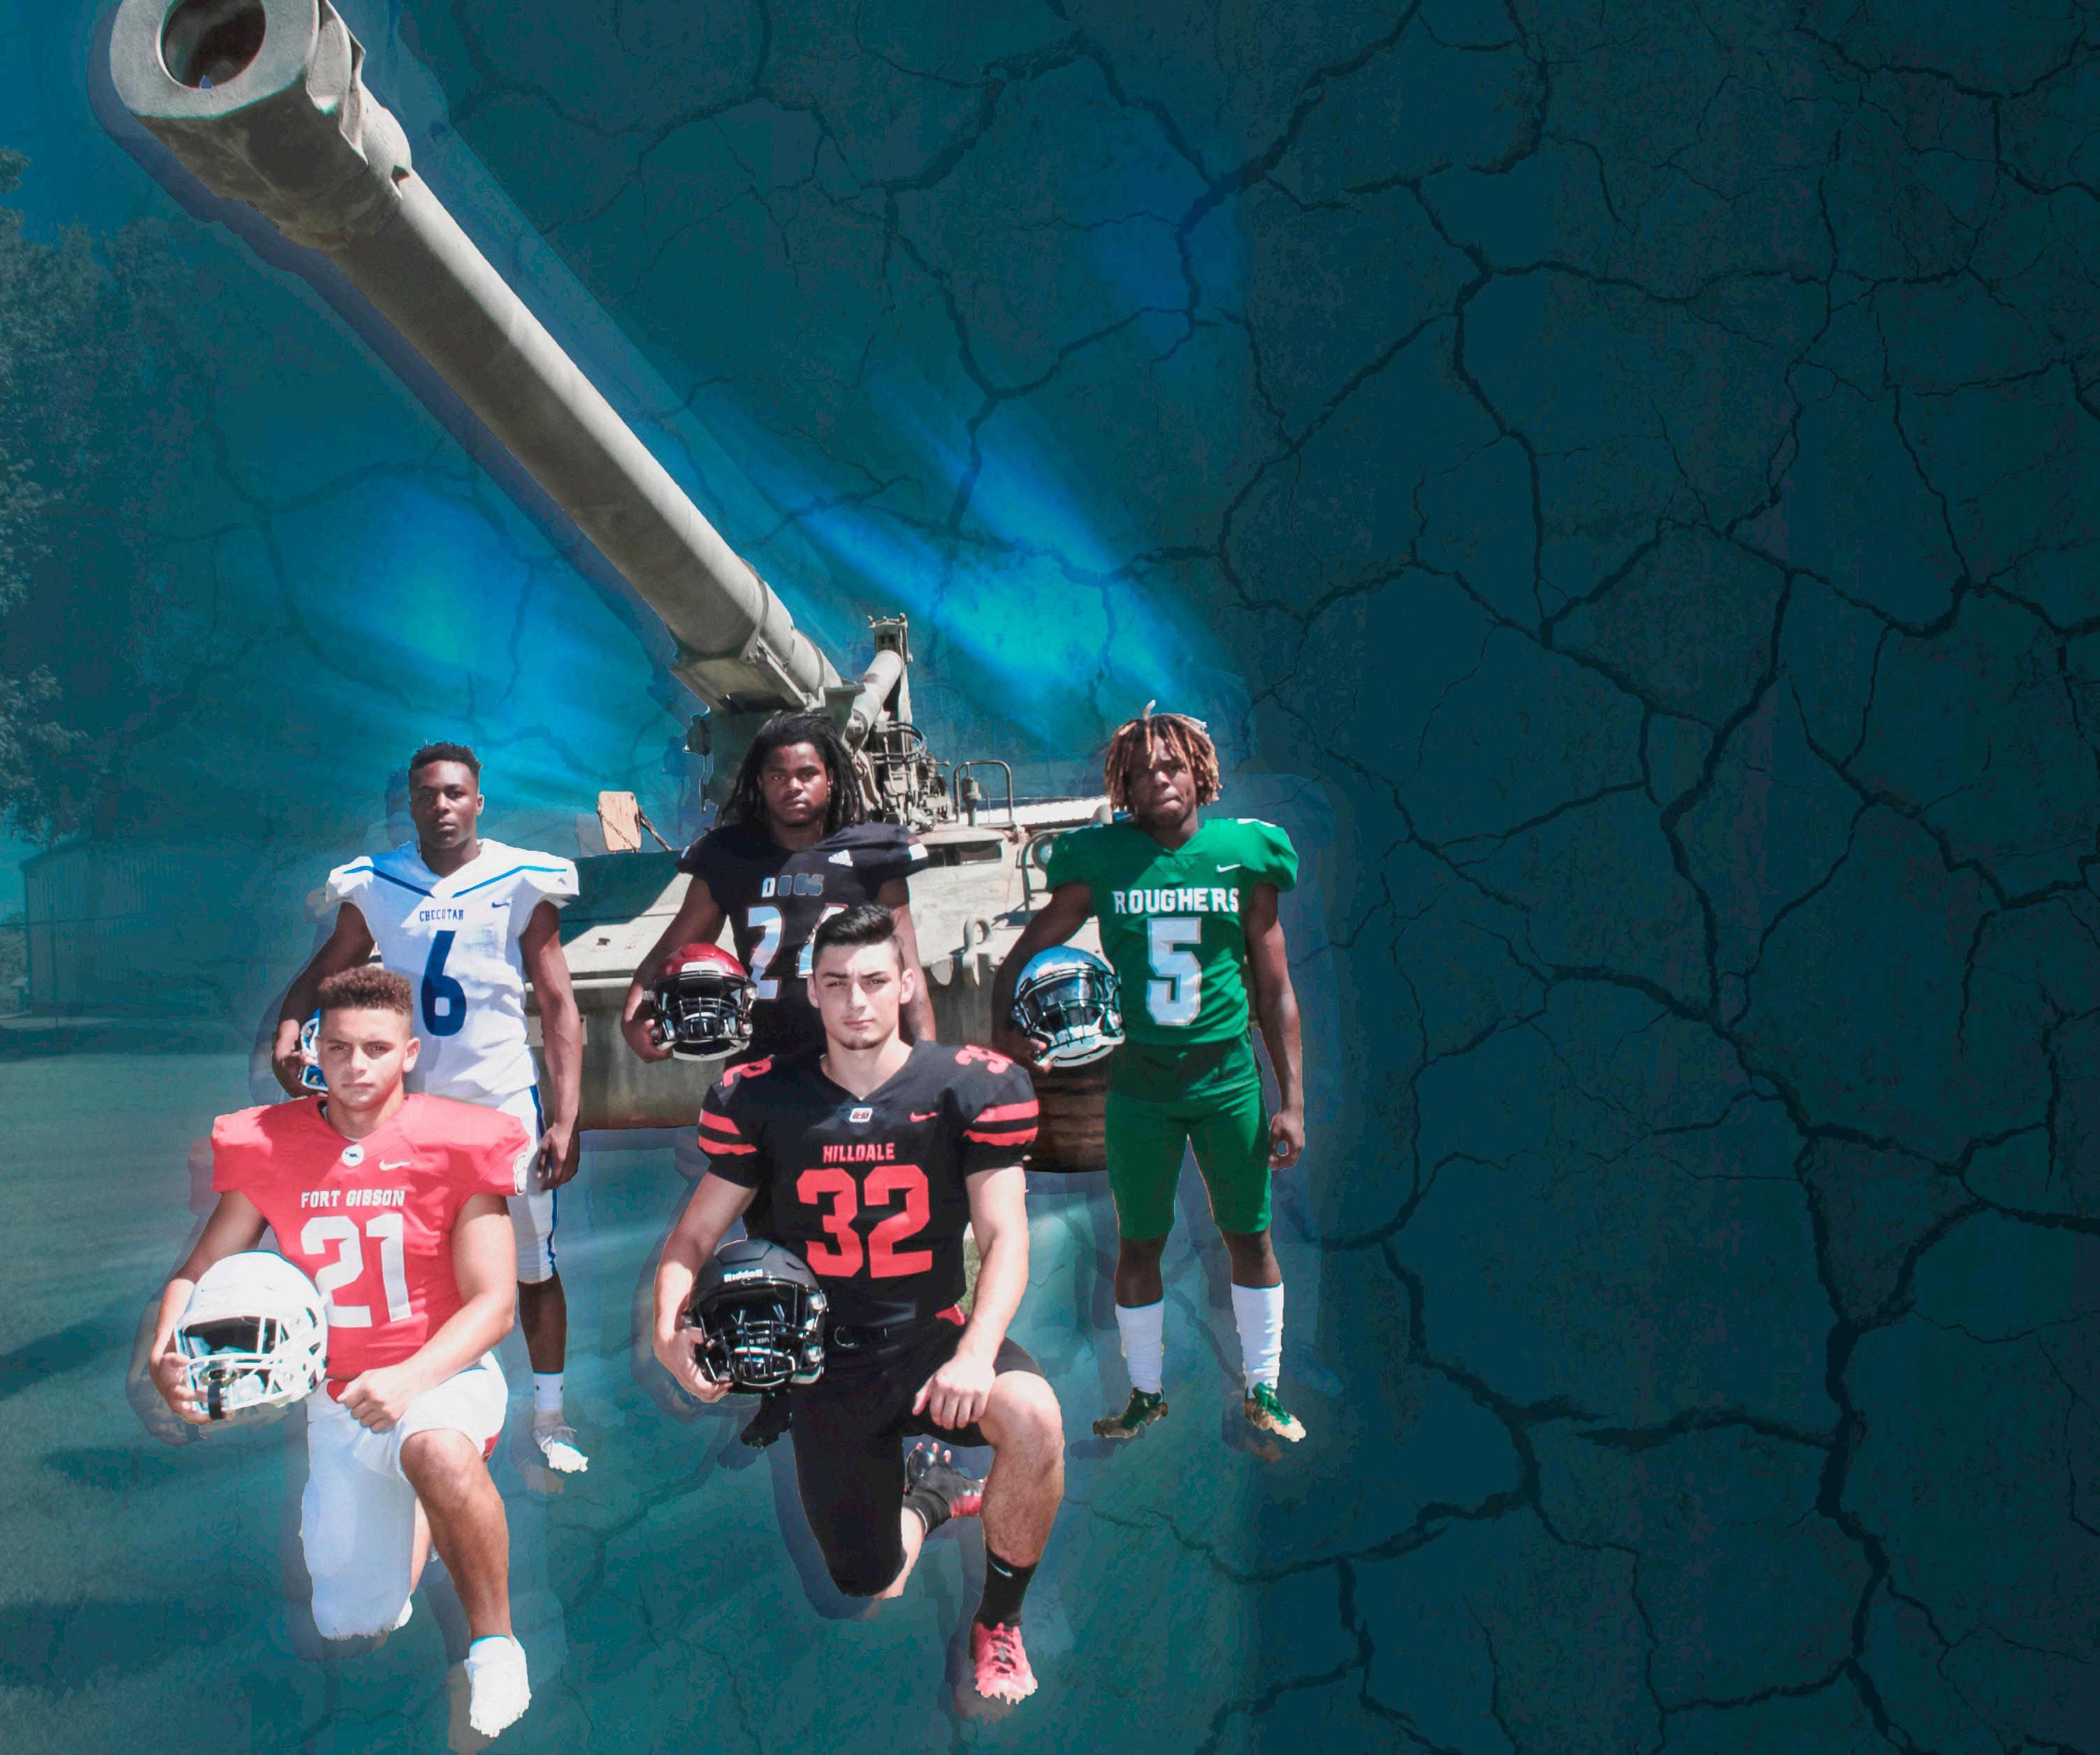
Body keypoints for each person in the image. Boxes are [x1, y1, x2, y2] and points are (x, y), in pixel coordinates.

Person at [652, 904, 1064, 1704]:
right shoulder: (763, 1096)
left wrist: (976, 1353)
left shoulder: (969, 1086)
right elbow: (692, 1236)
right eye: (836, 983)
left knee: (1035, 1417)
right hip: (821, 1363)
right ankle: (932, 1495)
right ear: (812, 991)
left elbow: (1004, 1235)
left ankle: (1000, 1621)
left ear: (906, 983)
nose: (856, 1001)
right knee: (870, 1584)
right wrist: (669, 1333)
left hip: (929, 1337)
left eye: (874, 981)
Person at [152, 967, 535, 1737]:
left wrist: (409, 1379)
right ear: (315, 1051)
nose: (356, 1065)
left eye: (377, 1048)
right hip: (337, 1396)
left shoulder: (457, 1141)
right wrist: (167, 1353)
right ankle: (421, 1519)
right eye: (339, 1048)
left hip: (442, 1372)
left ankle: (495, 1647)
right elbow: (198, 1270)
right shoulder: (269, 1142)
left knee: (435, 1450)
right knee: (358, 1620)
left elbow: (495, 1303)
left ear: (410, 1053)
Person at [990, 707, 1310, 1445]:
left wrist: (1292, 1100)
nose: (1156, 779)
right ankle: (1144, 1393)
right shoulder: (1104, 859)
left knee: (1249, 1235)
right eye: (1138, 773)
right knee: (1139, 1242)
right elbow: (1022, 953)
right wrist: (1004, 1030)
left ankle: (1263, 1387)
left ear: (1199, 771)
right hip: (1140, 1085)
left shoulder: (1244, 853)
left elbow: (1275, 990)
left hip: (1227, 1079)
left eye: (1169, 765)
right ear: (1122, 791)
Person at [270, 742, 589, 1473]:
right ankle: (435, 1414)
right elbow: (324, 972)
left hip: (501, 1103)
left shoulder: (520, 879)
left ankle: (550, 1412)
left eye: (454, 793)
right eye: (426, 796)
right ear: (409, 805)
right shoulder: (378, 883)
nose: (441, 806)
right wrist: (290, 1028)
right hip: (410, 1112)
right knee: (420, 1266)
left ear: (478, 801)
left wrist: (566, 1117)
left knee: (533, 1266)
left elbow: (558, 1004)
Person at [623, 711, 935, 1448]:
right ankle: (784, 1384)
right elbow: (675, 948)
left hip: (856, 1064)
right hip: (764, 1069)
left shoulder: (871, 851)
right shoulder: (731, 855)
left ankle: (889, 1368)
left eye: (806, 773)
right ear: (757, 784)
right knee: (771, 1228)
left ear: (831, 778)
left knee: (868, 1219)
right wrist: (637, 1015)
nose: (792, 787)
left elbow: (908, 969)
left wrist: (924, 1064)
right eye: (776, 775)